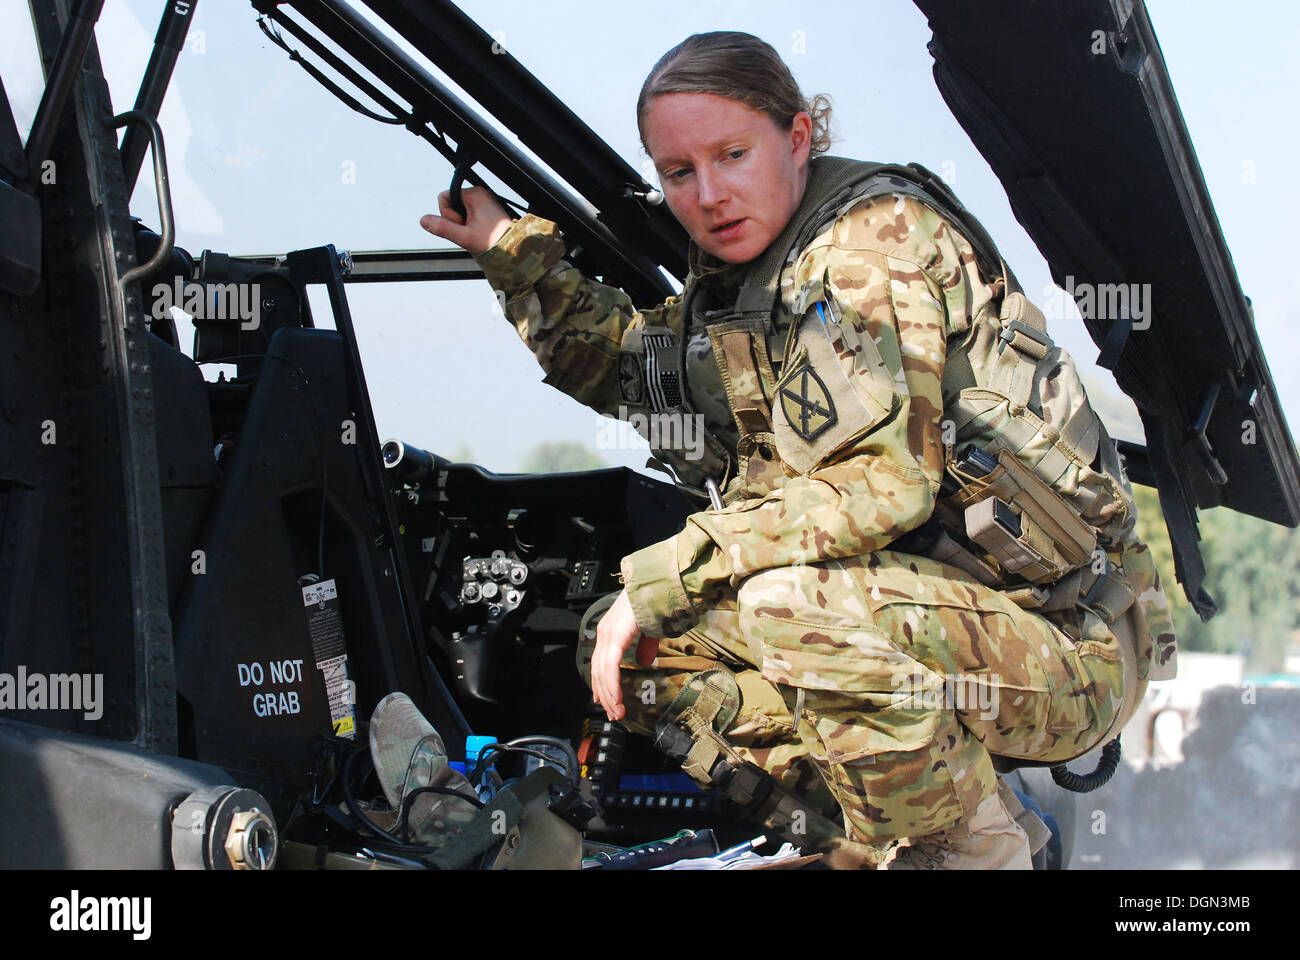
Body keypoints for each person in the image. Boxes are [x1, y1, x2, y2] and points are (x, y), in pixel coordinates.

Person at [416, 31, 1174, 869]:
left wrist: (669, 570)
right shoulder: (745, 282)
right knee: (637, 647)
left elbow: (887, 485)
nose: (707, 195)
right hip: (931, 624)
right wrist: (511, 256)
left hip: (1066, 642)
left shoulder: (868, 249)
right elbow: (639, 379)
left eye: (733, 154)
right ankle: (911, 832)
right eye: (678, 173)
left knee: (788, 602)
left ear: (799, 136)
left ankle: (963, 851)